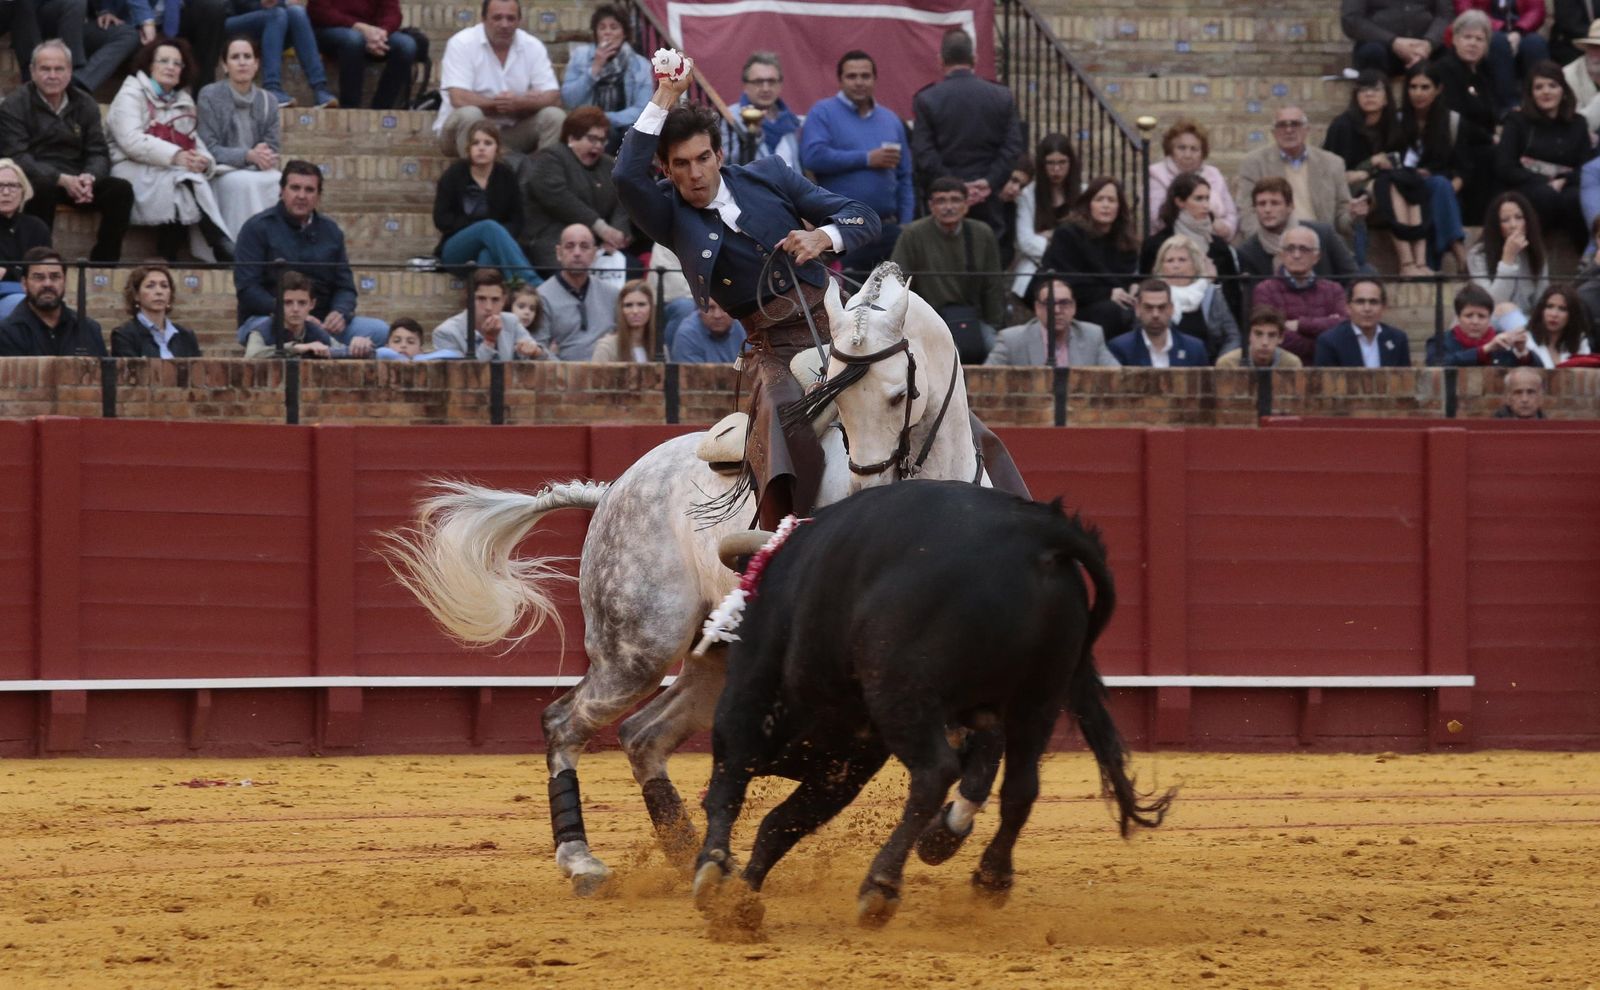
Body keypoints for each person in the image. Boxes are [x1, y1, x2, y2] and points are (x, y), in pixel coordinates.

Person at [615, 58, 896, 530]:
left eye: (703, 158)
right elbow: (625, 176)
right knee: (785, 418)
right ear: (666, 170)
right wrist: (666, 96)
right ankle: (784, 535)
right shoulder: (666, 215)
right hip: (775, 349)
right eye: (681, 165)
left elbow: (861, 215)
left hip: (841, 322)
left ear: (719, 156)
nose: (695, 173)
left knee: (920, 382)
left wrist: (823, 236)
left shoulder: (769, 174)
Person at [233, 160, 389, 353]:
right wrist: (292, 313)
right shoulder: (256, 228)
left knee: (381, 331)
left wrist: (340, 313)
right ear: (281, 191)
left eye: (309, 190)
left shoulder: (331, 232)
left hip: (323, 323)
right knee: (268, 331)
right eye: (295, 188)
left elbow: (345, 287)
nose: (301, 196)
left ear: (318, 196)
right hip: (270, 319)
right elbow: (247, 288)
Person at [0, 40, 134, 262]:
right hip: (39, 177)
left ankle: (103, 263)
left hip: (78, 176)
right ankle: (40, 263)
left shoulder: (85, 103)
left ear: (70, 71)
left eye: (59, 68)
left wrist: (89, 178)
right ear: (32, 72)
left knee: (121, 190)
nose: (52, 75)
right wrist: (60, 179)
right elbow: (17, 156)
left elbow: (98, 151)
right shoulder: (15, 104)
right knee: (40, 189)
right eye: (45, 69)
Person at [106, 38, 235, 262]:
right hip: (130, 165)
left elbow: (193, 141)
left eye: (177, 63)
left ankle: (170, 256)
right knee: (181, 181)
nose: (171, 67)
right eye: (164, 61)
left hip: (167, 167)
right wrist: (176, 156)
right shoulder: (130, 94)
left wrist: (203, 160)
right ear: (149, 65)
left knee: (185, 180)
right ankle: (218, 243)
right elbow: (131, 141)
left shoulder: (183, 100)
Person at [799, 50, 914, 285]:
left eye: (865, 75)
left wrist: (906, 223)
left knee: (891, 304)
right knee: (848, 303)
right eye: (852, 76)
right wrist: (866, 159)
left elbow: (905, 177)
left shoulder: (891, 119)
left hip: (888, 228)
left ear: (875, 79)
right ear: (840, 80)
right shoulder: (823, 112)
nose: (859, 82)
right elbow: (812, 156)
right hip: (845, 227)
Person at [911, 27, 1023, 235]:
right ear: (974, 58)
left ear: (940, 60)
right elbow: (1013, 147)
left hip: (944, 200)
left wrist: (955, 186)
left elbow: (924, 153)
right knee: (986, 259)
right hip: (988, 197)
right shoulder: (1001, 95)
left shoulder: (927, 98)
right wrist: (989, 182)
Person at [1371, 61, 1473, 275]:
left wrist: (1447, 190)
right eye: (1413, 87)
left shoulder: (1453, 122)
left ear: (1438, 89)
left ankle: (1457, 257)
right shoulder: (1396, 120)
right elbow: (1387, 161)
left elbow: (1464, 169)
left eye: (1425, 87)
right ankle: (1453, 255)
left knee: (1439, 186)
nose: (1418, 93)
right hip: (1405, 190)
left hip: (1444, 190)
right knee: (1424, 191)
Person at [889, 176, 1005, 362]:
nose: (948, 206)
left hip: (973, 317)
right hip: (928, 320)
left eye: (955, 200)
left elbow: (993, 284)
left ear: (966, 204)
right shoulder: (913, 234)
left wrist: (994, 325)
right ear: (931, 205)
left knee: (999, 352)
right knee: (950, 357)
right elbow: (897, 282)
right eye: (941, 201)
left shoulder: (981, 233)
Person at [434, 0, 564, 158]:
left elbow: (553, 97)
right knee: (470, 114)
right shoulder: (462, 43)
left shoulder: (532, 46)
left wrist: (520, 103)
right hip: (461, 134)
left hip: (511, 132)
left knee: (555, 117)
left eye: (511, 18)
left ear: (519, 21)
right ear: (483, 19)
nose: (504, 24)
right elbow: (459, 98)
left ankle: (542, 178)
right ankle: (477, 179)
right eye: (497, 18)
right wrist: (504, 105)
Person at [1497, 61, 1591, 252]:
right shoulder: (1517, 121)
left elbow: (1587, 167)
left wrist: (1564, 180)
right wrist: (1543, 181)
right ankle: (1529, 257)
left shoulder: (1578, 123)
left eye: (1552, 86)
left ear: (1563, 90)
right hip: (1529, 187)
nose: (1546, 92)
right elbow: (1505, 166)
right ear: (1531, 93)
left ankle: (1588, 259)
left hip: (1567, 188)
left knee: (1575, 199)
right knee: (1544, 196)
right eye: (1539, 87)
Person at [523, 105, 628, 273]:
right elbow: (559, 199)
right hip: (553, 241)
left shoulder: (609, 165)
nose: (598, 146)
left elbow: (622, 200)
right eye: (592, 139)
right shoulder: (550, 159)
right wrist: (601, 228)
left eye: (602, 140)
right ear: (571, 138)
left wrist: (617, 234)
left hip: (599, 247)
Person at [1235, 105, 1362, 243]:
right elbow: (1247, 212)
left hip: (1321, 244)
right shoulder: (1254, 163)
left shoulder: (1333, 163)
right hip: (1275, 242)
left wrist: (1353, 214)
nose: (1289, 130)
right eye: (1282, 125)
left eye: (1295, 124)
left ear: (1307, 130)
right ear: (1273, 132)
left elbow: (1341, 217)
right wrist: (1265, 245)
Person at [198, 36, 284, 240]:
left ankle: (274, 248)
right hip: (221, 171)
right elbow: (209, 147)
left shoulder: (268, 100)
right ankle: (242, 246)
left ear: (256, 64)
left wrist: (263, 155)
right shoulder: (209, 95)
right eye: (235, 57)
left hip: (256, 169)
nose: (242, 62)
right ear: (225, 65)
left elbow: (272, 145)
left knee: (279, 180)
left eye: (248, 56)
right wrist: (247, 155)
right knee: (244, 182)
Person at [432, 118, 537, 284]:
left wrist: (495, 237)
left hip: (495, 247)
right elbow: (441, 219)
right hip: (456, 249)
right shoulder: (454, 174)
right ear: (468, 148)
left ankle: (487, 301)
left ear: (497, 149)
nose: (481, 148)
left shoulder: (506, 176)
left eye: (488, 143)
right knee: (488, 227)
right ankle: (531, 283)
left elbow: (517, 221)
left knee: (487, 256)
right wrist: (479, 230)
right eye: (476, 143)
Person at [1038, 176, 1139, 337]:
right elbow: (1064, 280)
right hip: (1077, 306)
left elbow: (1128, 275)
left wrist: (1134, 285)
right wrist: (1107, 293)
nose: (1106, 205)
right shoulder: (1068, 234)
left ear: (1119, 207)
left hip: (1119, 304)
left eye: (1111, 200)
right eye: (1099, 199)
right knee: (1111, 311)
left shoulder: (1125, 239)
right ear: (1088, 204)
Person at [1140, 172, 1242, 324]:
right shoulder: (1155, 245)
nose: (1206, 205)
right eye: (1198, 199)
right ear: (1180, 201)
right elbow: (1147, 287)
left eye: (1207, 198)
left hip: (1213, 322)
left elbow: (1233, 296)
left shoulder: (1219, 247)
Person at [1322, 71, 1399, 268]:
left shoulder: (1394, 126)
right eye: (1363, 90)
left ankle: (1417, 261)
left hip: (1389, 194)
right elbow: (1330, 174)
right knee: (1364, 198)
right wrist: (1369, 165)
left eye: (1375, 90)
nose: (1369, 95)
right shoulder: (1342, 126)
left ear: (1386, 97)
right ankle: (1360, 264)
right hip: (1349, 194)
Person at [1236, 178, 1360, 289]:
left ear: (1290, 206)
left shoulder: (1323, 234)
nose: (1267, 210)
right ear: (1255, 209)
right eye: (1261, 204)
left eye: (1275, 203)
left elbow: (1353, 277)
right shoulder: (1247, 252)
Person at [1251, 226, 1350, 361]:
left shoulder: (1333, 290)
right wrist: (1324, 344)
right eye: (1290, 249)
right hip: (1283, 368)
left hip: (1328, 368)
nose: (1296, 255)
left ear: (1317, 257)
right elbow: (1274, 337)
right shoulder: (1265, 290)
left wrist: (1300, 324)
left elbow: (1344, 327)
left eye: (1304, 249)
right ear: (1281, 254)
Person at [96, 0, 229, 97]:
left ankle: (203, 95)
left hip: (173, 16)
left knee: (212, 7)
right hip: (134, 18)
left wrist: (169, 36)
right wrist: (146, 21)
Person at [309, 0, 424, 110]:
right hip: (330, 30)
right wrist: (360, 28)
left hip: (371, 34)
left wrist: (382, 33)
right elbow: (318, 11)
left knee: (406, 45)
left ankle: (381, 109)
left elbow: (393, 13)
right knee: (354, 40)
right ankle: (350, 107)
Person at [984, 276, 1119, 367]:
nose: (1057, 310)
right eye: (1049, 303)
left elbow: (1117, 378)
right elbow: (984, 381)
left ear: (1073, 307)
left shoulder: (1092, 335)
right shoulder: (1011, 340)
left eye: (1064, 303)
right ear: (1037, 308)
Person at [560, 4, 649, 141]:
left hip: (623, 127)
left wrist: (605, 118)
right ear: (596, 33)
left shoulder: (641, 66)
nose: (607, 33)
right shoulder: (580, 56)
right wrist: (594, 69)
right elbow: (569, 100)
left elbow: (642, 110)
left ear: (624, 33)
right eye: (602, 28)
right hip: (586, 126)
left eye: (614, 27)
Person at [223, 0, 337, 108]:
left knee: (297, 12)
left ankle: (320, 89)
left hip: (272, 21)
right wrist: (266, 3)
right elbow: (241, 4)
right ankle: (272, 87)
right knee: (277, 14)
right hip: (231, 21)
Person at [1150, 234, 1240, 362]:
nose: (1176, 266)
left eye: (1182, 260)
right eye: (1170, 261)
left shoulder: (1211, 294)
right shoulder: (1153, 296)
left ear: (1194, 265)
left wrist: (1222, 364)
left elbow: (1233, 336)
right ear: (1161, 267)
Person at [535, 222, 618, 361]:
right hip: (561, 378)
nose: (577, 253)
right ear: (558, 253)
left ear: (594, 254)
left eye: (584, 246)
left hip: (609, 375)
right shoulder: (541, 297)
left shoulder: (612, 294)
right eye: (570, 246)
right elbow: (537, 349)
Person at [1011, 133, 1080, 299]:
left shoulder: (1082, 193)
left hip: (1075, 270)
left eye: (1062, 162)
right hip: (1037, 268)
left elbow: (1085, 240)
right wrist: (1063, 244)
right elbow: (1026, 241)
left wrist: (1051, 236)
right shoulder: (1028, 195)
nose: (1056, 169)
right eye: (1050, 163)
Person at [0, 246, 104, 355]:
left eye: (55, 277)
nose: (47, 284)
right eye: (38, 277)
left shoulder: (88, 328)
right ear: (24, 284)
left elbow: (104, 370)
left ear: (65, 281)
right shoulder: (7, 332)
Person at [1147, 120, 1236, 240]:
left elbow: (1231, 214)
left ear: (1202, 152)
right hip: (1170, 244)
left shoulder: (1214, 174)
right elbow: (1157, 219)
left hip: (1212, 242)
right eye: (1181, 148)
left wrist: (1226, 228)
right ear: (1171, 150)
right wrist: (1207, 223)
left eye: (1194, 149)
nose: (1188, 155)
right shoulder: (1156, 174)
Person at [432, 267, 545, 361]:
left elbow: (547, 359)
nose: (488, 307)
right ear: (468, 299)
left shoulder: (511, 321)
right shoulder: (446, 332)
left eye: (495, 300)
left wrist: (535, 351)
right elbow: (464, 377)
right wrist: (489, 341)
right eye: (481, 299)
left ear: (503, 301)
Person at [1468, 191, 1549, 315]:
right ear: (1496, 225)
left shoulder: (1536, 253)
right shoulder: (1478, 254)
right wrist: (1508, 259)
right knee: (1506, 309)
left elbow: (1541, 301)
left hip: (1524, 324)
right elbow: (1491, 303)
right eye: (1505, 220)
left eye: (1519, 217)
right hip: (1488, 321)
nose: (1513, 225)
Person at [1461, 0, 1552, 110]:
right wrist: (1501, 28)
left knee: (1535, 43)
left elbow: (1536, 10)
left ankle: (1540, 104)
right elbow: (1464, 8)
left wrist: (1518, 30)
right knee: (1498, 42)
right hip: (1486, 30)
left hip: (1522, 30)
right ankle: (1508, 107)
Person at [720, 51, 801, 166]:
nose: (765, 88)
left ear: (780, 85)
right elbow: (727, 164)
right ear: (745, 86)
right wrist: (753, 137)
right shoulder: (730, 118)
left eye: (771, 81)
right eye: (758, 82)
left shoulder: (791, 121)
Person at [1106, 278, 1210, 367]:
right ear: (1137, 309)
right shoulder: (1120, 348)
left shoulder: (1194, 348)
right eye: (1148, 307)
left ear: (1171, 309)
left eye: (1162, 307)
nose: (1155, 314)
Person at [1427, 283, 1538, 365]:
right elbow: (1436, 365)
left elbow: (1541, 371)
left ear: (1490, 318)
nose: (1475, 322)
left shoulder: (1504, 341)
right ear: (1458, 317)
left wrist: (1522, 351)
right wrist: (1485, 349)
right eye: (1469, 315)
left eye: (1481, 316)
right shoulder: (1439, 341)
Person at [42, 0, 140, 92]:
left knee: (129, 34)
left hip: (86, 24)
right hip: (48, 22)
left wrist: (105, 11)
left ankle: (77, 85)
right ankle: (71, 69)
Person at [109, 261, 201, 357]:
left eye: (164, 286)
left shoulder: (185, 335)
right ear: (136, 295)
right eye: (150, 286)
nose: (159, 292)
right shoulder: (124, 334)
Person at [1314, 277, 1413, 366]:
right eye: (1360, 302)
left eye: (1373, 302)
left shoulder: (1397, 339)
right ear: (1348, 307)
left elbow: (1405, 380)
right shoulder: (1330, 341)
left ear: (1383, 307)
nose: (1367, 308)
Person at [242, 268, 337, 357]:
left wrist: (352, 347)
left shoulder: (316, 332)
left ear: (312, 304)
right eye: (288, 302)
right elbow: (251, 355)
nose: (295, 309)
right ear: (277, 304)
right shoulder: (262, 332)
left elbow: (344, 350)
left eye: (302, 303)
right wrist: (294, 348)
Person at [0, 158, 52, 319]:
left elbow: (44, 270)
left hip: (30, 294)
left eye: (13, 186)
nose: (6, 192)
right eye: (0, 186)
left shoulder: (36, 227)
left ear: (23, 191)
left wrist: (8, 271)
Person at [1341, 0, 1451, 74]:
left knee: (1452, 56)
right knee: (1371, 53)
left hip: (1427, 49)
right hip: (1382, 47)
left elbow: (1445, 15)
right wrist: (1393, 42)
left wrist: (1429, 44)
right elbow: (1351, 20)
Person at [1524, 283, 1595, 365]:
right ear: (1541, 310)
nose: (1554, 314)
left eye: (1562, 309)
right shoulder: (1527, 340)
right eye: (1549, 306)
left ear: (1572, 315)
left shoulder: (1580, 342)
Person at [590, 277, 657, 362]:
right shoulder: (606, 347)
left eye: (641, 304)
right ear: (621, 309)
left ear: (651, 308)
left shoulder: (659, 348)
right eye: (628, 305)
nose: (635, 311)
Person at [1216, 306, 1304, 369]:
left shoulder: (1291, 365)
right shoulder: (1228, 364)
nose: (1265, 342)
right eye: (1258, 334)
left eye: (1272, 335)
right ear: (1249, 335)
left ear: (1281, 338)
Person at [669, 297, 745, 364]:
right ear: (699, 308)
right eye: (711, 308)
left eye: (723, 307)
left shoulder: (745, 328)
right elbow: (691, 377)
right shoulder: (686, 335)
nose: (717, 315)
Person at [1563, 18, 1600, 129]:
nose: (1596, 54)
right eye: (1593, 47)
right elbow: (1577, 124)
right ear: (1586, 49)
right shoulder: (1567, 75)